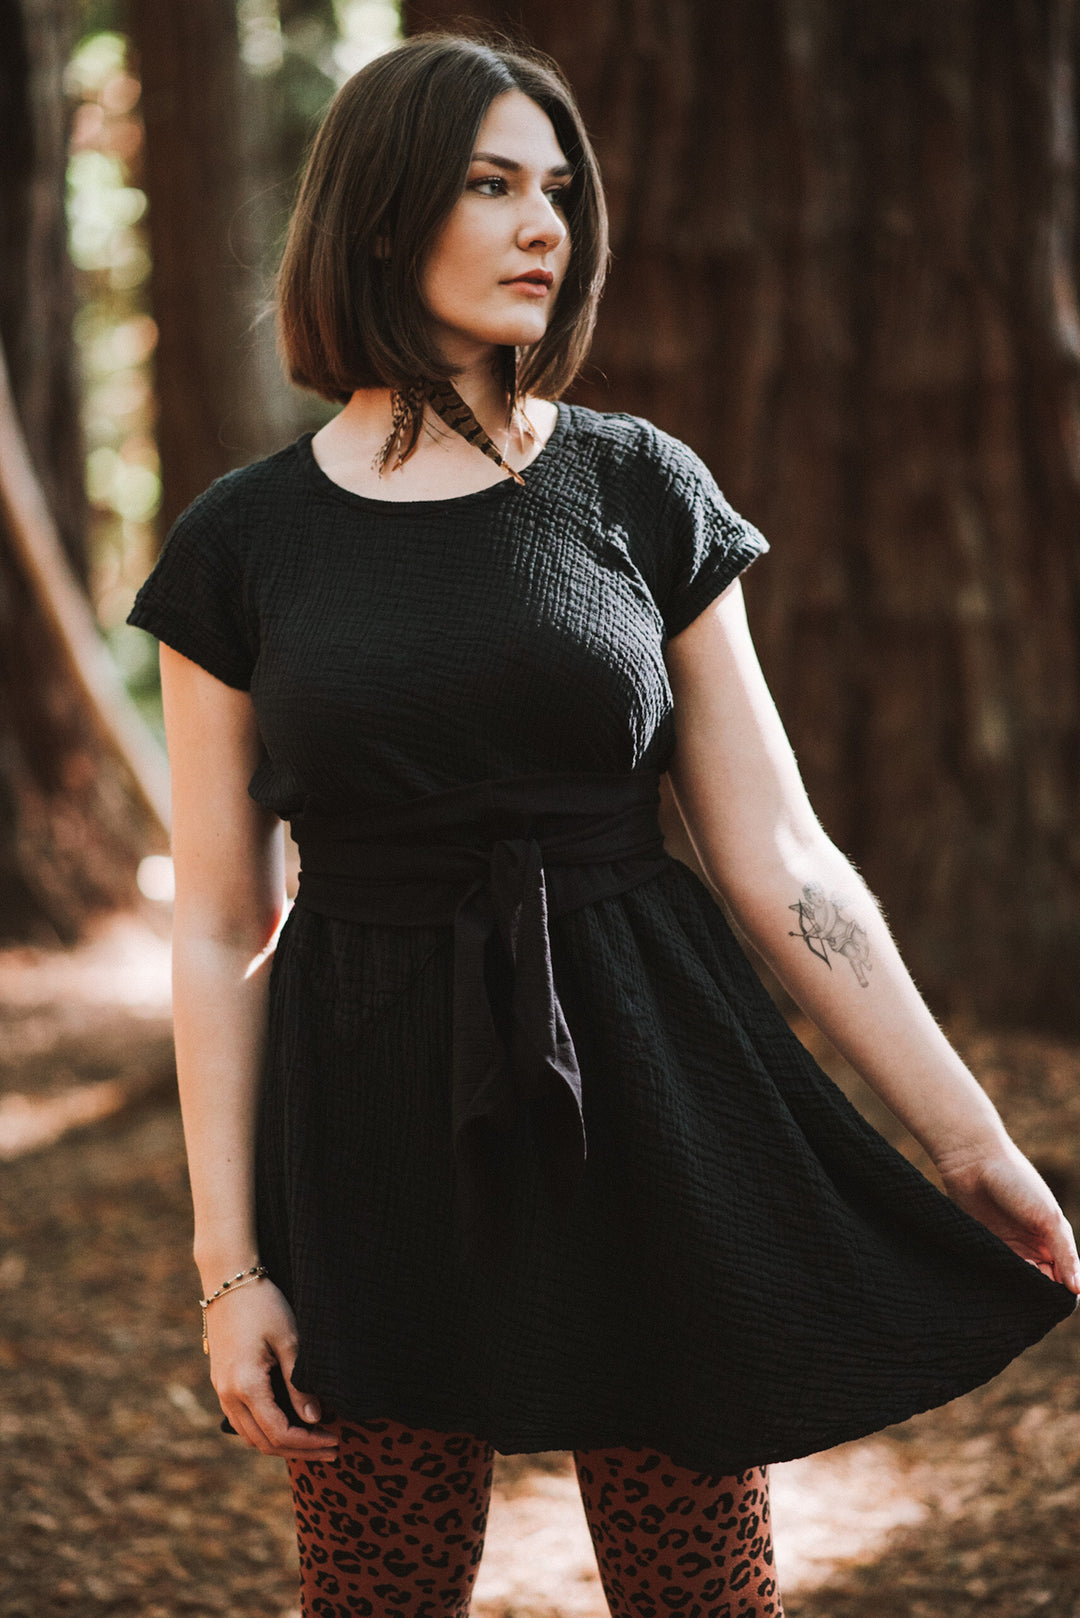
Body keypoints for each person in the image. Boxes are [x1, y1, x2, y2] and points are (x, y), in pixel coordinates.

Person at [127, 31, 1079, 1618]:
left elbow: (781, 854)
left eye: (558, 190)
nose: (544, 227)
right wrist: (232, 1264)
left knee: (703, 1587)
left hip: (648, 1072)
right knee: (378, 1588)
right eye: (492, 185)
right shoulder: (243, 545)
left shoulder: (638, 486)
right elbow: (224, 917)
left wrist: (967, 1136)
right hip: (365, 1102)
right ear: (379, 220)